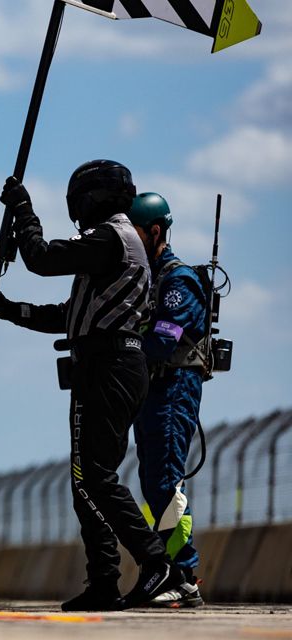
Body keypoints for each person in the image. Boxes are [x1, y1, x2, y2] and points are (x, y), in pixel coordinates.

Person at [0, 160, 172, 611]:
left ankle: (157, 564)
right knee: (85, 480)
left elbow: (42, 258)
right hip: (103, 365)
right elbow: (68, 316)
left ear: (91, 198)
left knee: (95, 478)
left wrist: (23, 211)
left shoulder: (110, 239)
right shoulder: (110, 247)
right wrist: (9, 309)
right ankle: (104, 580)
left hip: (110, 365)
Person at [128, 192, 207, 608]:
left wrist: (127, 345)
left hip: (174, 389)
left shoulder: (177, 281)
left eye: (135, 233)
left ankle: (185, 577)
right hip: (154, 390)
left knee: (166, 483)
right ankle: (165, 570)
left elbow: (165, 338)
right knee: (151, 483)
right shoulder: (149, 278)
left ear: (155, 231)